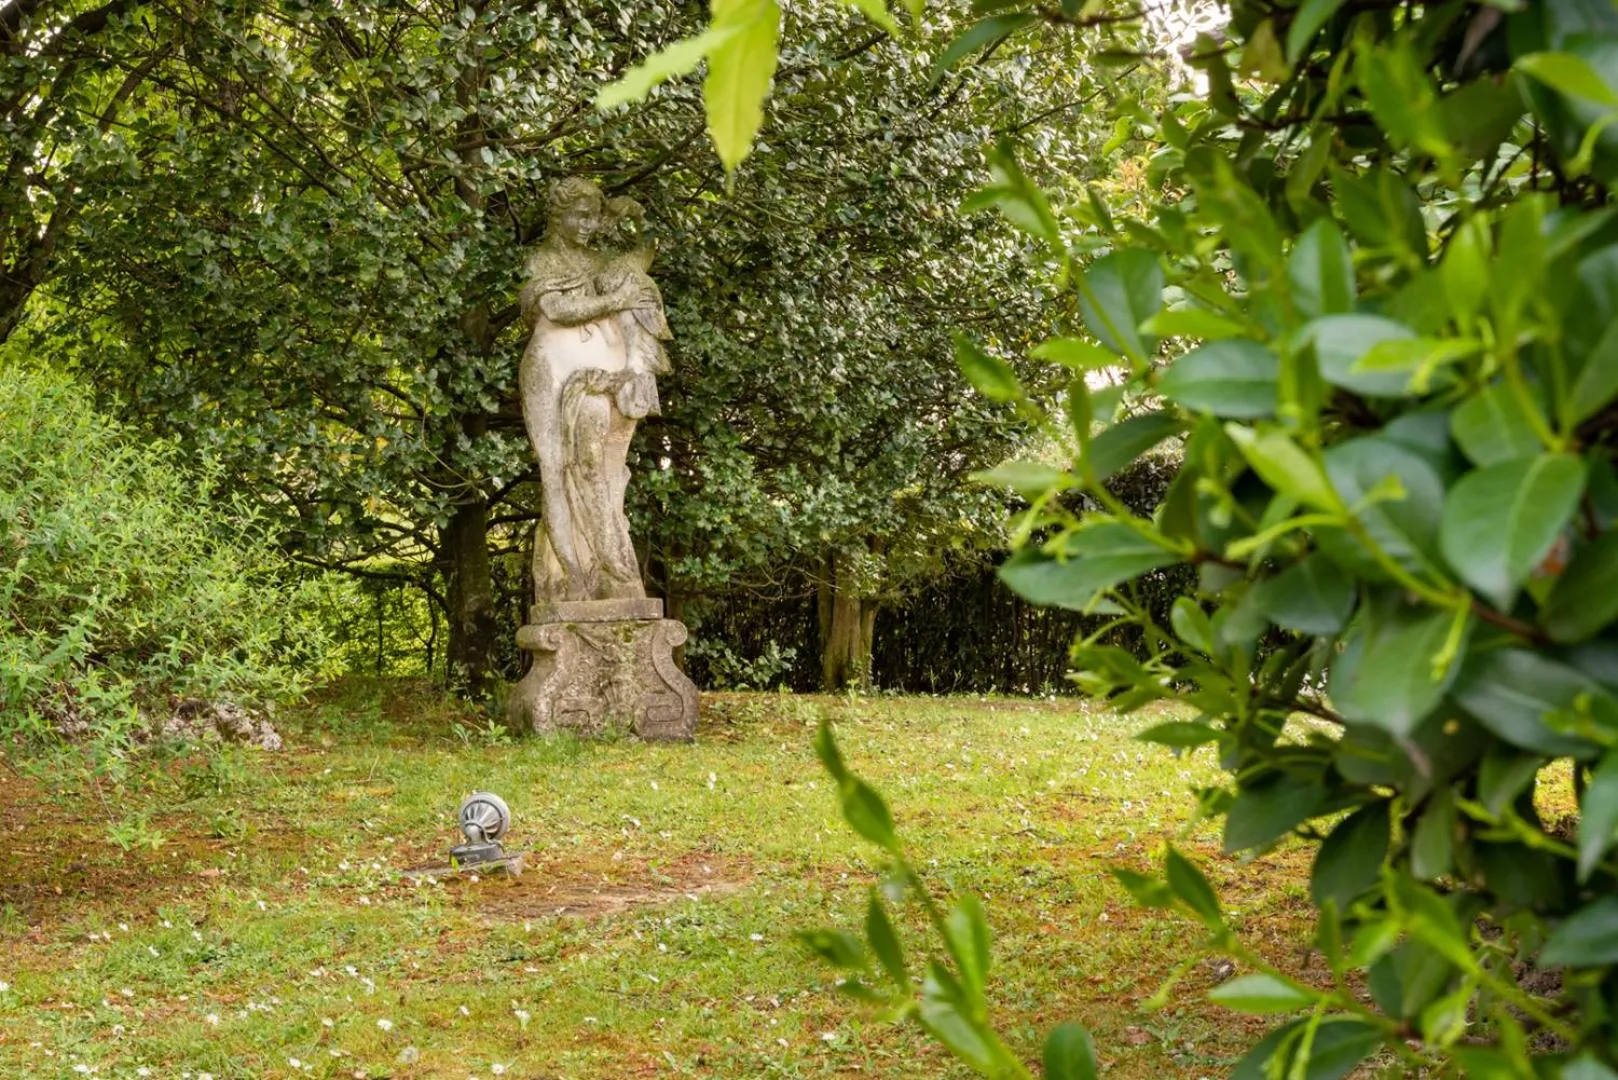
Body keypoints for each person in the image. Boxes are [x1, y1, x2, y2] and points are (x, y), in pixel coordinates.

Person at [517, 178, 669, 603]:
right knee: (556, 470)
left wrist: (636, 215)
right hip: (550, 369)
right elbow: (556, 308)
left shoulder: (601, 262)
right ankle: (568, 580)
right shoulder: (541, 260)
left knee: (602, 468)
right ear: (557, 216)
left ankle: (605, 567)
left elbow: (646, 252)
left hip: (597, 371)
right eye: (579, 216)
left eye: (594, 217)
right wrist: (617, 299)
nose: (587, 225)